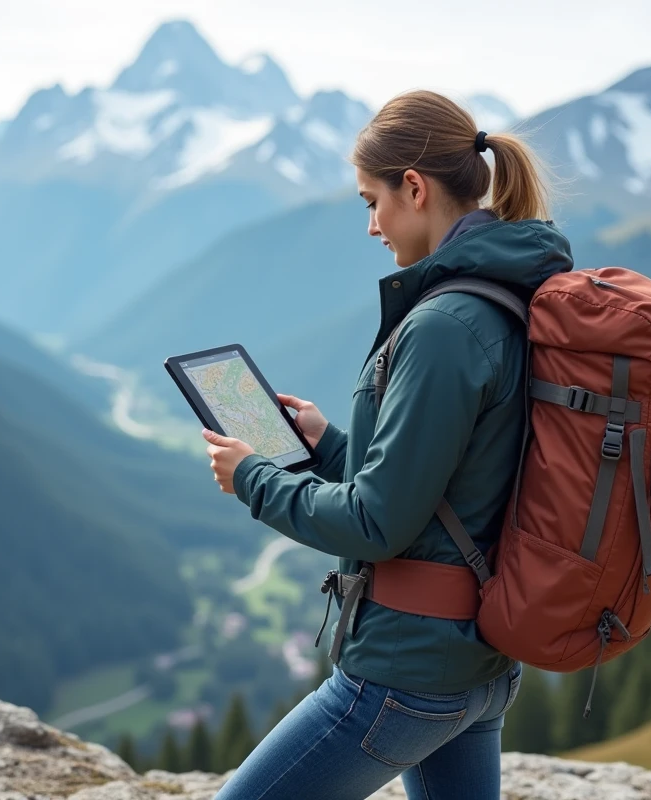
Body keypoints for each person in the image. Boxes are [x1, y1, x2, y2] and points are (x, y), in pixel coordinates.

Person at [203, 89, 574, 799]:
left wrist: (255, 478)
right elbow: (447, 488)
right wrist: (327, 443)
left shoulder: (446, 325)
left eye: (371, 201)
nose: (371, 224)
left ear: (415, 186)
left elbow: (377, 522)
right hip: (478, 663)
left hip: (408, 671)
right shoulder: (514, 290)